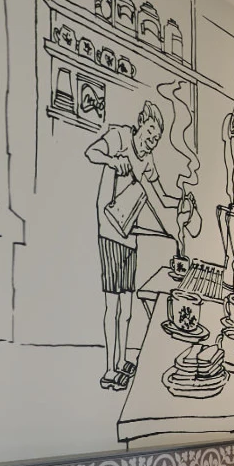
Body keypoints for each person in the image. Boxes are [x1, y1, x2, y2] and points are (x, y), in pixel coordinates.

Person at [84, 102, 196, 390]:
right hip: (110, 234)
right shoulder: (120, 137)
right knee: (113, 304)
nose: (151, 141)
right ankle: (110, 369)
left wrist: (180, 208)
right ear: (140, 126)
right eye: (149, 133)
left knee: (129, 306)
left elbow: (159, 199)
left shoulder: (148, 161)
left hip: (130, 236)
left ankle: (121, 362)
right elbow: (91, 152)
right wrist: (113, 161)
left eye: (156, 138)